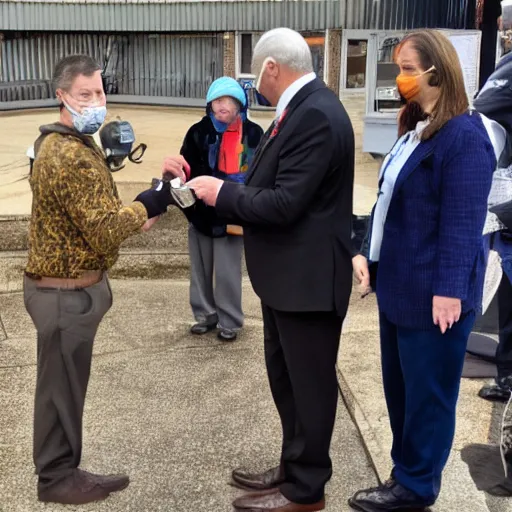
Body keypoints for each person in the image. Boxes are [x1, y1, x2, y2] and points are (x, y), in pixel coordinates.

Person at [187, 28, 355, 512]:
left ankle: (307, 490)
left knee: (310, 385)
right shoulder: (300, 110)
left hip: (307, 283)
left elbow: (285, 202)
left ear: (272, 69)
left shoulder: (318, 114)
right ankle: (293, 465)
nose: (252, 83)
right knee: (288, 383)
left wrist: (224, 195)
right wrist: (220, 187)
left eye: (255, 72)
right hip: (288, 281)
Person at [350, 30, 496, 511]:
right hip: (401, 286)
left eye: (409, 67)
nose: (401, 77)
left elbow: (463, 221)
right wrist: (370, 259)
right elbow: (390, 203)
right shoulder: (418, 127)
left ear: (438, 70)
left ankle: (416, 487)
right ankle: (405, 472)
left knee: (428, 398)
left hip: (436, 296)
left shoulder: (465, 136)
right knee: (403, 393)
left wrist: (450, 291)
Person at [24, 54, 173, 505]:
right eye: (85, 94)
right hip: (63, 293)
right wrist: (149, 201)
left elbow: (98, 218)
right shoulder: (68, 153)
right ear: (63, 96)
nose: (96, 102)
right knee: (59, 394)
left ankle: (65, 468)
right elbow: (106, 227)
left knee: (63, 389)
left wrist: (144, 207)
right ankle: (56, 479)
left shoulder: (68, 142)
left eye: (100, 92)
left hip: (65, 288)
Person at [162, 77, 263, 342]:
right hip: (200, 213)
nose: (222, 106)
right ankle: (205, 315)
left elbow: (259, 174)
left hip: (233, 213)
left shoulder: (253, 134)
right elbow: (185, 168)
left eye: (229, 101)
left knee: (228, 271)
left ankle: (230, 321)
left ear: (239, 105)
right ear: (209, 104)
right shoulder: (198, 131)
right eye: (217, 101)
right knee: (200, 268)